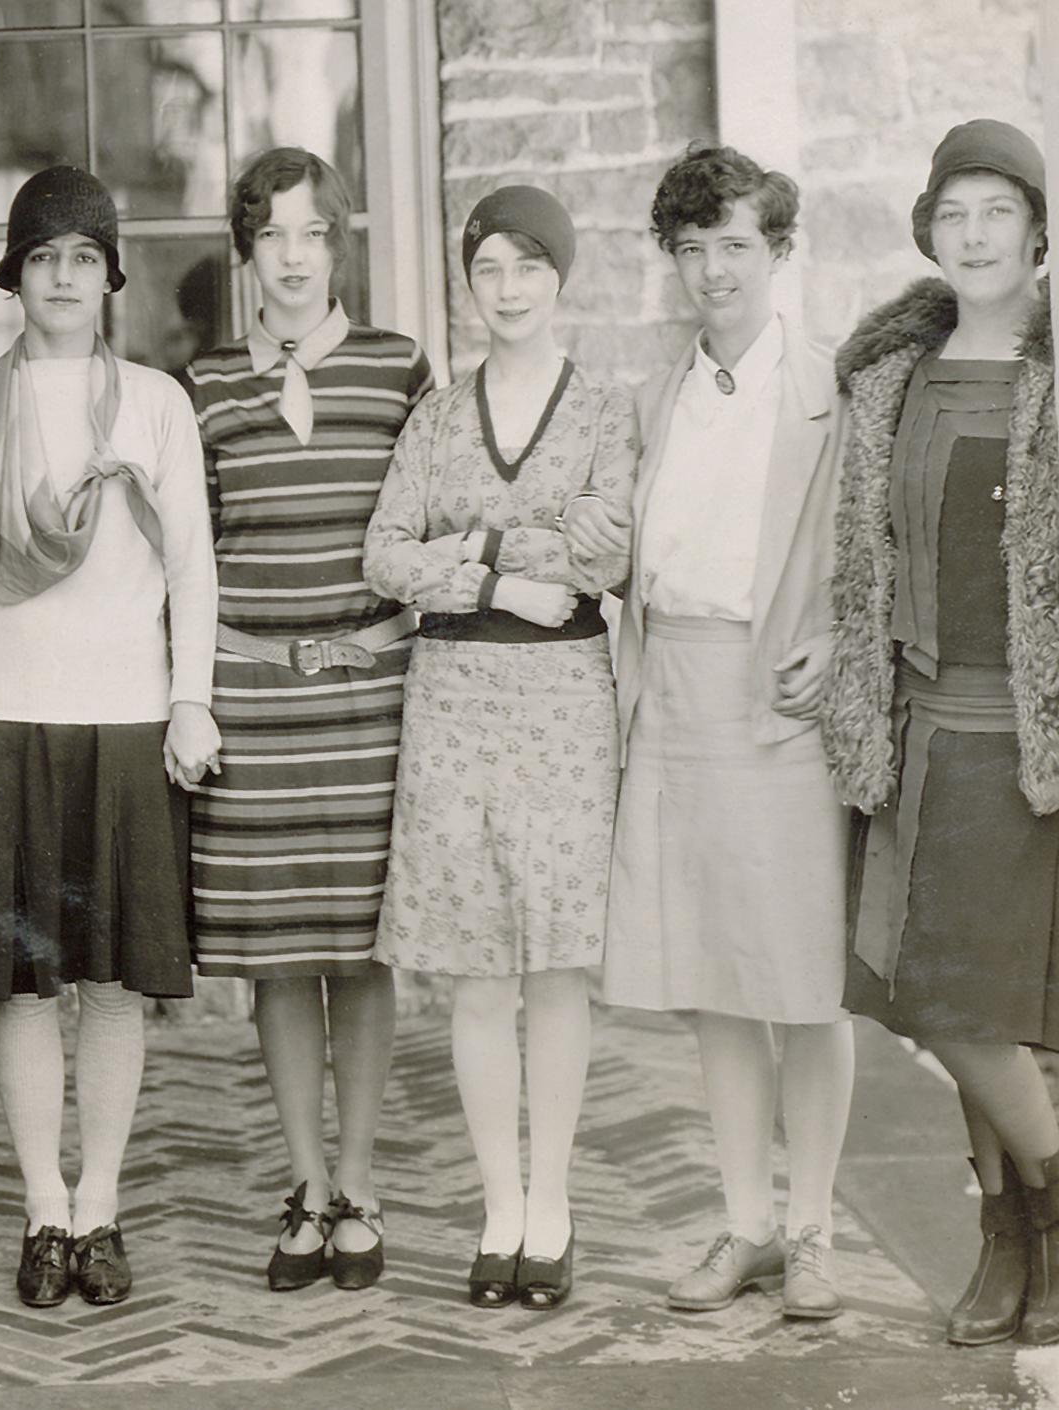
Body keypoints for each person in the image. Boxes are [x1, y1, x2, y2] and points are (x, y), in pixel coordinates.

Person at [0, 165, 219, 1309]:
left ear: (108, 279)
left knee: (116, 987)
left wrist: (190, 697)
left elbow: (191, 564)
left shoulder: (153, 404)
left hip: (127, 714)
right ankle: (44, 1206)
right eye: (41, 258)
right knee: (26, 986)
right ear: (14, 276)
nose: (60, 279)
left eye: (82, 259)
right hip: (3, 711)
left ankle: (103, 1211)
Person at [580, 145, 855, 1320]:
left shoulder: (836, 392)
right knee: (716, 982)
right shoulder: (652, 400)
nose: (711, 272)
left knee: (802, 979)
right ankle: (745, 1222)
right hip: (677, 701)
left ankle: (814, 1228)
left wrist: (838, 639)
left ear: (779, 252)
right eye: (689, 251)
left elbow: (872, 557)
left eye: (734, 246)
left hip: (778, 703)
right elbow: (626, 561)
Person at [363, 185, 634, 1311]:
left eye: (529, 267)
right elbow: (385, 552)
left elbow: (604, 549)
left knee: (557, 963)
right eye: (488, 270)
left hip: (563, 697)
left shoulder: (607, 411)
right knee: (477, 970)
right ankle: (499, 1206)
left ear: (558, 279)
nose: (509, 289)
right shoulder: (433, 417)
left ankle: (554, 1205)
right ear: (467, 285)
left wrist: (495, 546)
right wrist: (486, 573)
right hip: (457, 695)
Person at [819, 118, 1059, 1347]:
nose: (973, 236)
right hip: (910, 727)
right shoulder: (891, 379)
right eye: (951, 215)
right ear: (929, 231)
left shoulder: (1056, 378)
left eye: (994, 213)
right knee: (930, 1001)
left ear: (1034, 229)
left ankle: (1052, 1218)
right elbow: (864, 555)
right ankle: (1008, 1244)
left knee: (975, 1007)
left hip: (1019, 741)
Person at [183, 146, 433, 1292]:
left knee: (362, 952)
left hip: (370, 699)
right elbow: (188, 558)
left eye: (310, 235)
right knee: (280, 957)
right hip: (254, 702)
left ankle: (363, 1180)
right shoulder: (206, 386)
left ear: (339, 245)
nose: (290, 258)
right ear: (246, 252)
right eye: (270, 236)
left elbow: (433, 514)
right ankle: (305, 1187)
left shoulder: (395, 370)